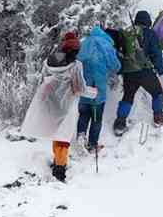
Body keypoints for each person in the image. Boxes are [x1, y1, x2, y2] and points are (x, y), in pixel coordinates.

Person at [19, 32, 88, 182]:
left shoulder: (49, 62)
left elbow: (43, 81)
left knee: (57, 133)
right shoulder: (76, 65)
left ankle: (58, 162)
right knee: (64, 137)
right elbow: (79, 88)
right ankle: (59, 170)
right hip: (67, 104)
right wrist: (91, 92)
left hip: (49, 102)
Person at [111, 12, 163, 136]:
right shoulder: (150, 34)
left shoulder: (127, 32)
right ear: (148, 21)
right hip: (144, 71)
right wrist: (159, 69)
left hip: (129, 72)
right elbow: (156, 52)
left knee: (128, 96)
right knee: (157, 92)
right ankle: (158, 117)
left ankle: (120, 123)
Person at [76, 25, 121, 152]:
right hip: (98, 86)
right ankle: (92, 144)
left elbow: (77, 61)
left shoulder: (84, 43)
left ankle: (81, 135)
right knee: (96, 117)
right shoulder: (106, 44)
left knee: (84, 112)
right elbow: (115, 65)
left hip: (84, 85)